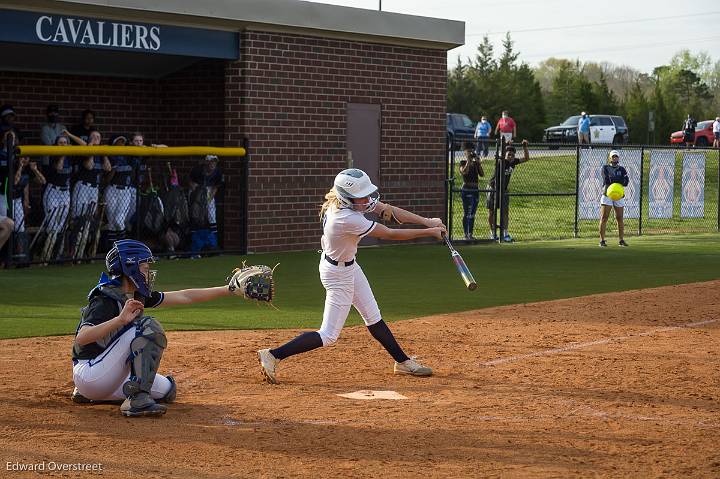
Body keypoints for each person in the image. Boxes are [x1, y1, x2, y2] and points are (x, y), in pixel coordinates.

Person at [257, 168, 445, 384]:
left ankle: (402, 362)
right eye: (361, 197)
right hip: (338, 275)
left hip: (348, 267)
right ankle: (273, 355)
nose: (367, 200)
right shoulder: (345, 218)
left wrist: (427, 221)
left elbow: (388, 210)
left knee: (373, 316)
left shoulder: (347, 202)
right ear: (347, 198)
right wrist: (429, 233)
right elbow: (390, 233)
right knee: (328, 335)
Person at [71, 239, 271, 416]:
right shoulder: (104, 299)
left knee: (167, 390)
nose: (148, 272)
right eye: (145, 267)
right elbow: (82, 337)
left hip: (107, 378)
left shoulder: (136, 295)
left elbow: (185, 296)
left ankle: (110, 395)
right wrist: (120, 320)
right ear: (129, 267)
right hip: (91, 374)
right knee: (148, 326)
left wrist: (228, 290)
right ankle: (137, 400)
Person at [486, 139, 530, 242]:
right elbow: (499, 156)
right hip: (493, 188)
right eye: (508, 154)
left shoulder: (513, 162)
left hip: (504, 190)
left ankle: (505, 234)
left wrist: (525, 147)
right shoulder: (501, 161)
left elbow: (526, 158)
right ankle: (493, 233)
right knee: (491, 211)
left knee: (505, 212)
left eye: (512, 155)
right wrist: (505, 144)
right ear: (505, 154)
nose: (510, 157)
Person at [12, 155, 46, 259]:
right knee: (10, 226)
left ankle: (20, 255)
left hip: (18, 199)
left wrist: (35, 170)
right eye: (22, 158)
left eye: (27, 158)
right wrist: (20, 167)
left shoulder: (28, 170)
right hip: (7, 198)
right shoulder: (13, 166)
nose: (25, 160)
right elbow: (14, 182)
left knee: (20, 228)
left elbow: (43, 181)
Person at [189, 155, 223, 256]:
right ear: (206, 162)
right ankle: (193, 245)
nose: (213, 164)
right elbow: (191, 181)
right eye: (211, 162)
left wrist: (209, 198)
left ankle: (214, 244)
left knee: (211, 216)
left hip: (209, 190)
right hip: (197, 190)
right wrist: (196, 193)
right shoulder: (198, 169)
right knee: (195, 215)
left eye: (214, 162)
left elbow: (216, 186)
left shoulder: (217, 172)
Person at [104, 135, 136, 244]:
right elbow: (107, 180)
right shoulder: (110, 156)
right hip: (112, 190)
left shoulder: (129, 156)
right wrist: (114, 168)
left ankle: (122, 246)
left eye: (123, 142)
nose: (122, 144)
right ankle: (113, 249)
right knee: (112, 222)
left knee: (119, 220)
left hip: (125, 191)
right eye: (119, 142)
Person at [43, 135, 73, 249]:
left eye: (65, 142)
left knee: (61, 224)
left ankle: (57, 253)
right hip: (53, 191)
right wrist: (63, 155)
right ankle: (47, 253)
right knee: (52, 223)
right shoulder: (54, 155)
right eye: (60, 142)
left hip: (65, 193)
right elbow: (59, 167)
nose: (63, 145)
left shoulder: (71, 157)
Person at [599, 150, 629, 247]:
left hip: (619, 195)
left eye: (616, 156)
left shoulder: (622, 169)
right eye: (613, 156)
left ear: (618, 158)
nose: (615, 158)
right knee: (604, 218)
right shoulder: (605, 168)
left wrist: (617, 179)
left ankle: (621, 240)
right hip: (607, 194)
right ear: (610, 158)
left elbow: (626, 182)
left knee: (619, 218)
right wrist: (619, 179)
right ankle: (602, 240)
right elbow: (607, 180)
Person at [459, 143, 484, 240]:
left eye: (471, 151)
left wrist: (478, 163)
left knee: (473, 213)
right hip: (467, 189)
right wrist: (468, 162)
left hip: (475, 190)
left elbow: (482, 174)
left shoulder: (476, 163)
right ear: (465, 153)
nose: (470, 153)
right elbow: (464, 171)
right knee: (467, 212)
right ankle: (466, 234)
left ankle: (470, 234)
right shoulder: (462, 162)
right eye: (468, 151)